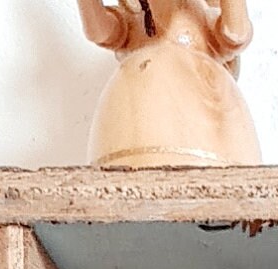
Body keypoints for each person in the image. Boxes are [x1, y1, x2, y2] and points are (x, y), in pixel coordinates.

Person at [77, 0, 260, 169]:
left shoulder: (201, 14)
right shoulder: (137, 18)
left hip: (202, 111)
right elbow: (98, 31)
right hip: (137, 114)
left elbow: (235, 34)